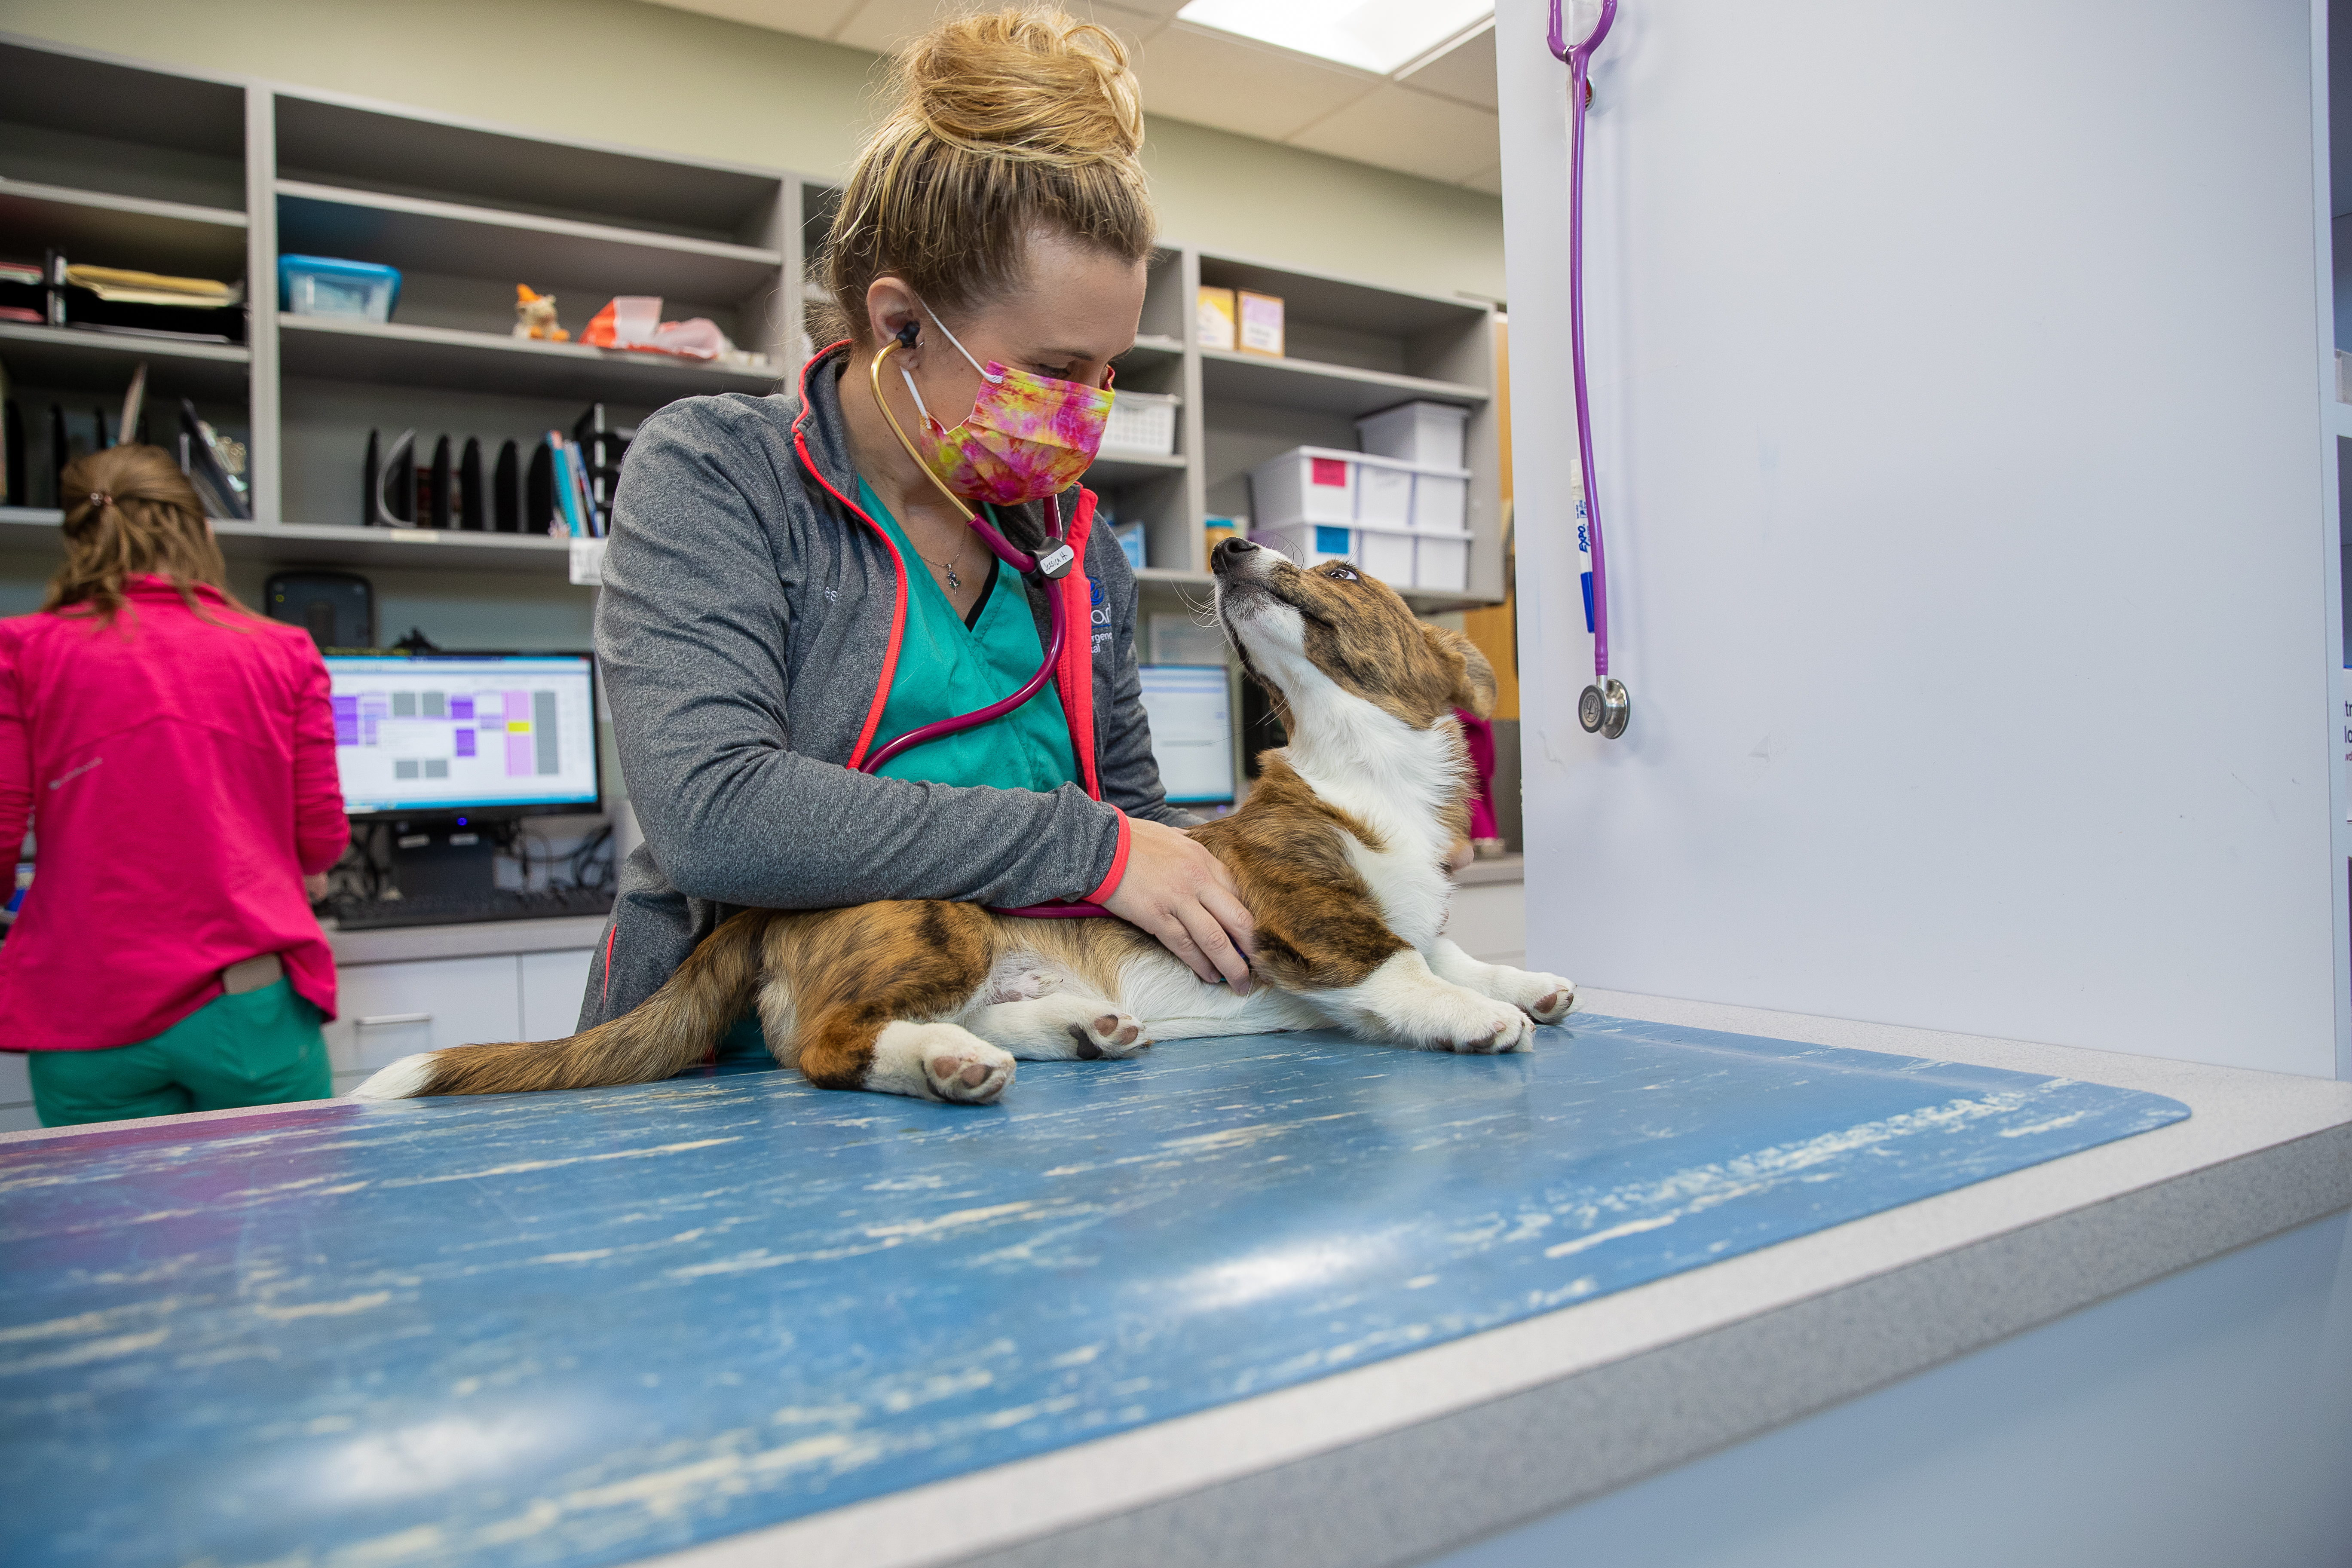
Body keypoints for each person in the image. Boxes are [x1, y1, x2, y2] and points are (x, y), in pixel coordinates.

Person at [583, 6, 1256, 1042]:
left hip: (1025, 1057)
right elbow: (715, 814)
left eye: (1107, 371)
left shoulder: (1078, 551)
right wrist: (1090, 850)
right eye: (1054, 371)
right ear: (900, 324)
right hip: (744, 1070)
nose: (1087, 411)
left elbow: (1137, 826)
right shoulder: (719, 473)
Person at [0, 446, 346, 1125]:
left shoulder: (23, 651)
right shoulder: (282, 652)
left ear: (78, 539)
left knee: (106, 1231)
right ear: (201, 533)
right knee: (287, 1222)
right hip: (244, 1009)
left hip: (88, 1011)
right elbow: (321, 837)